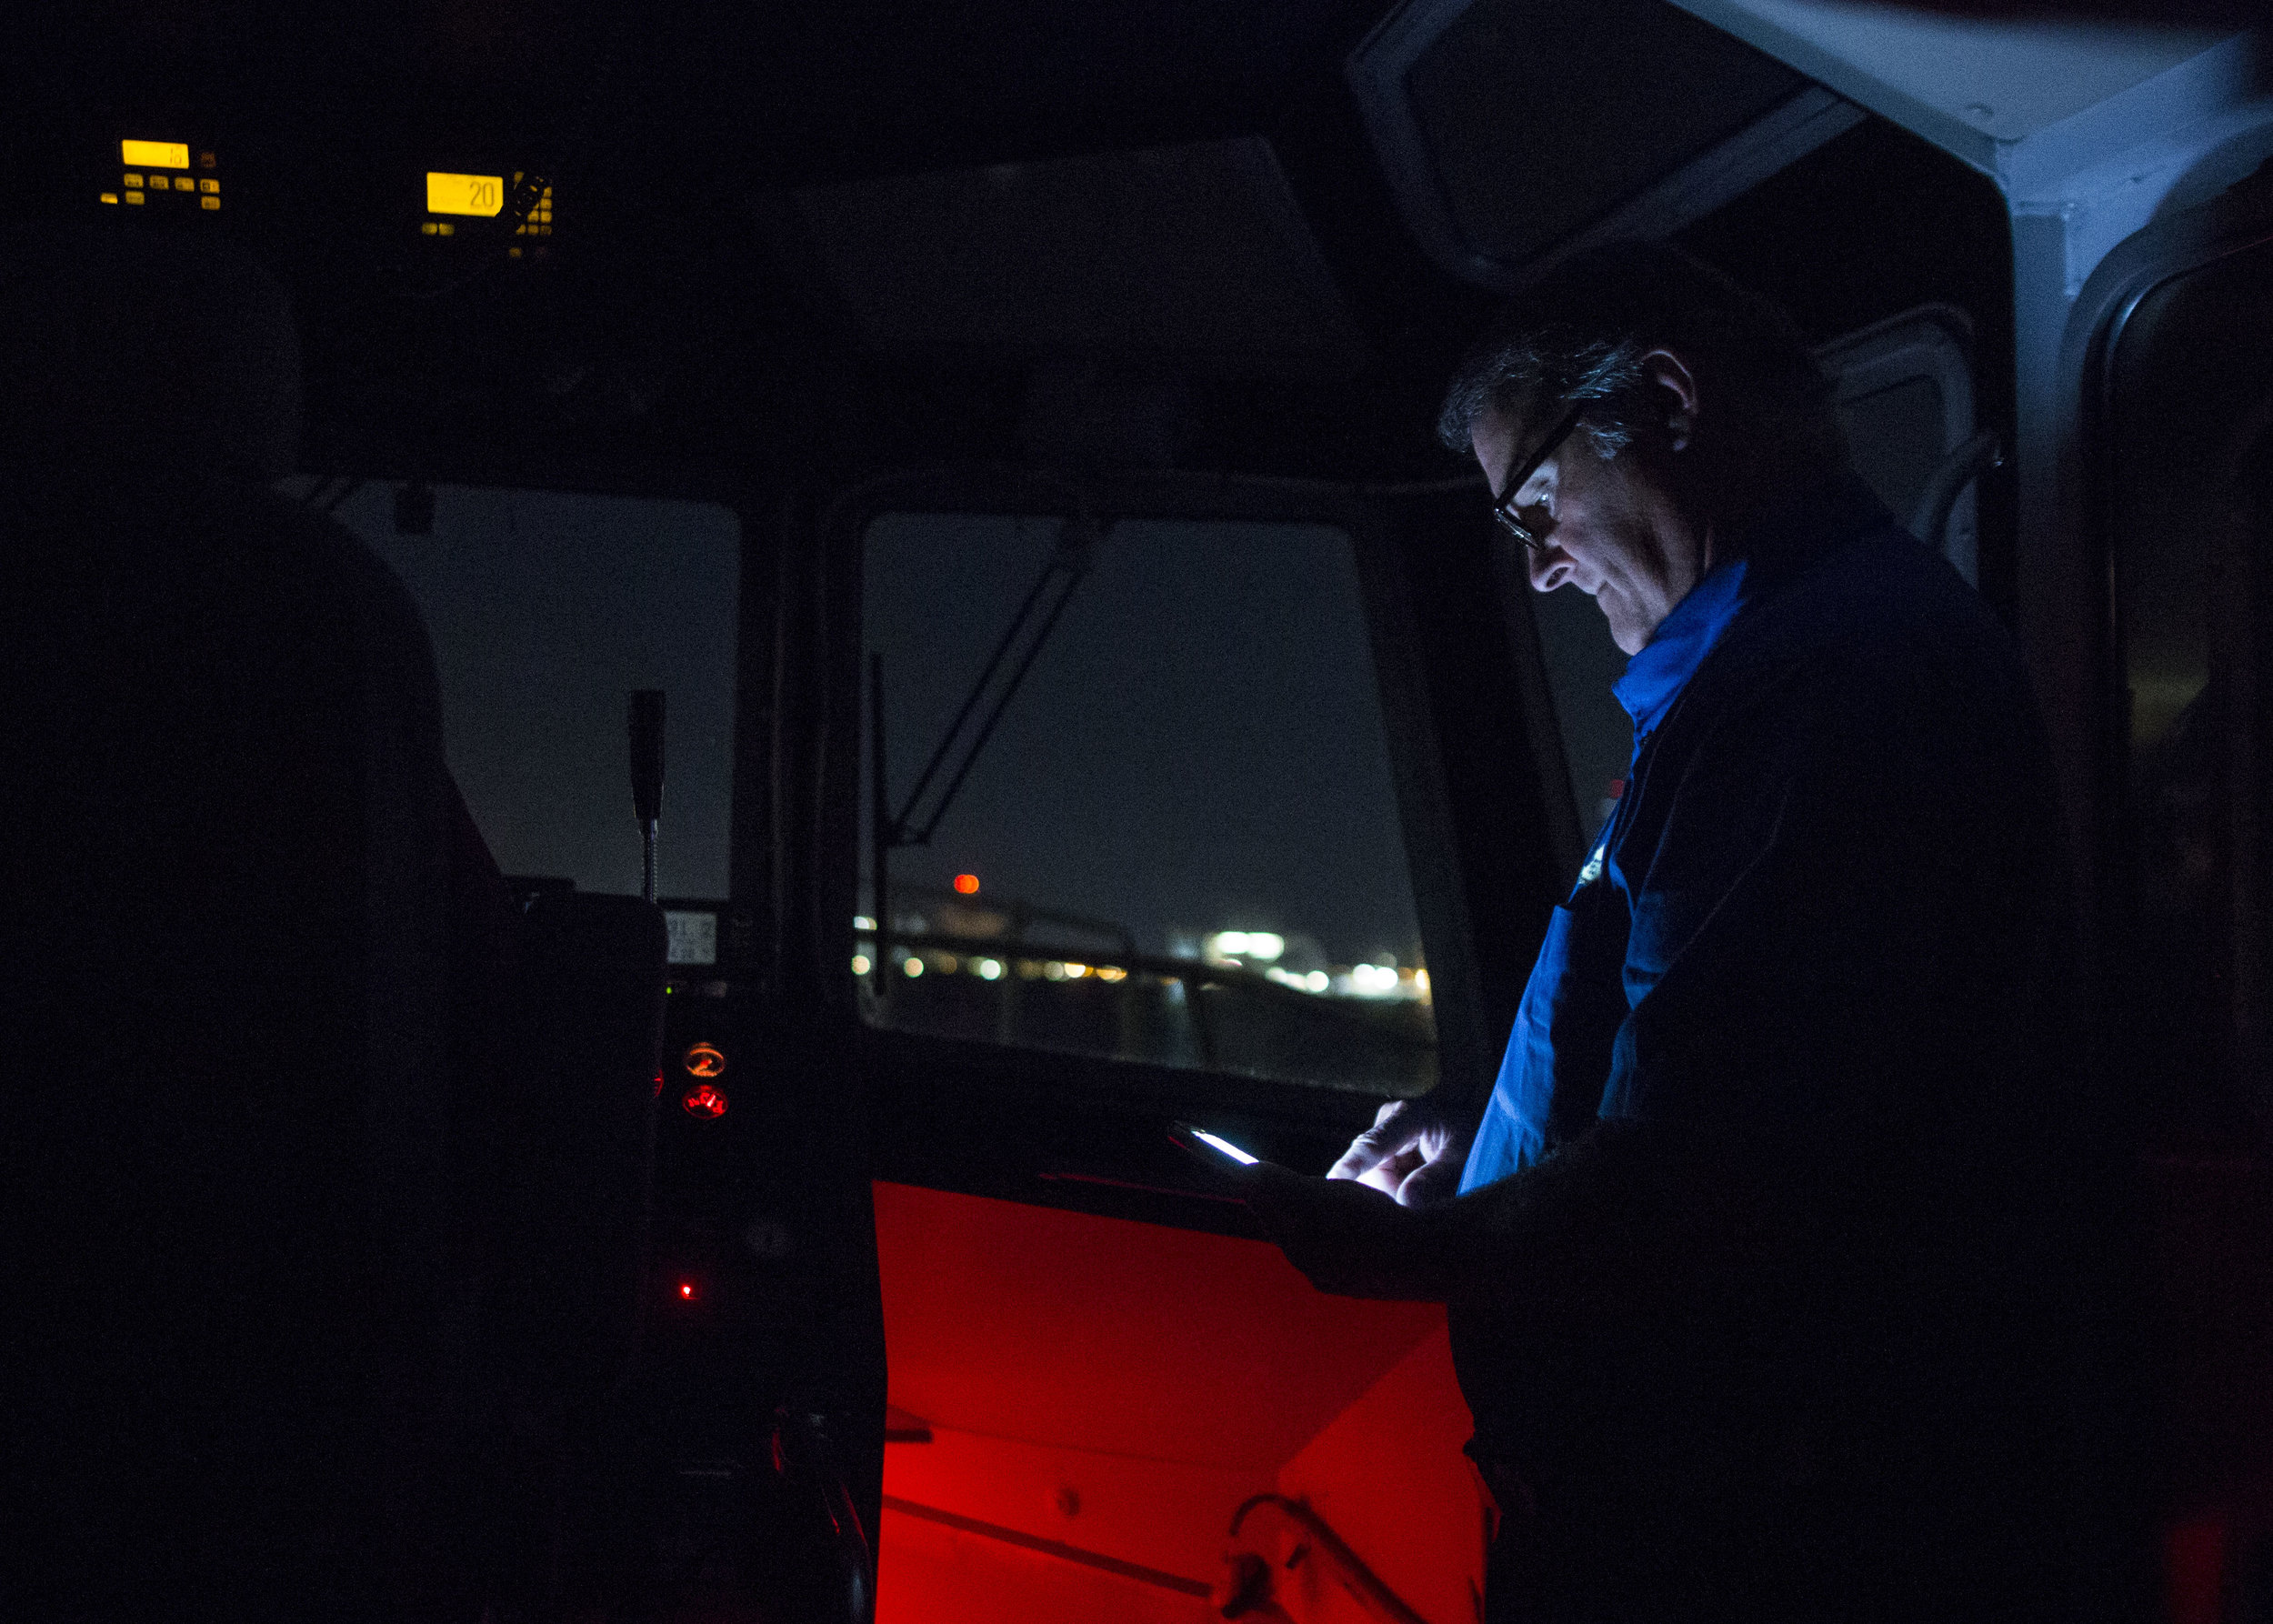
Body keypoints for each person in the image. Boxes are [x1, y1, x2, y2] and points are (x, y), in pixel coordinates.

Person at [1235, 243, 2105, 1622]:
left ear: (1667, 400)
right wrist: (1497, 1146)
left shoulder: (1825, 682)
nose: (1534, 572)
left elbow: (1713, 1177)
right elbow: (1727, 1065)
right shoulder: (1754, 682)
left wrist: (1414, 1254)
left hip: (1751, 1545)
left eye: (1534, 504)